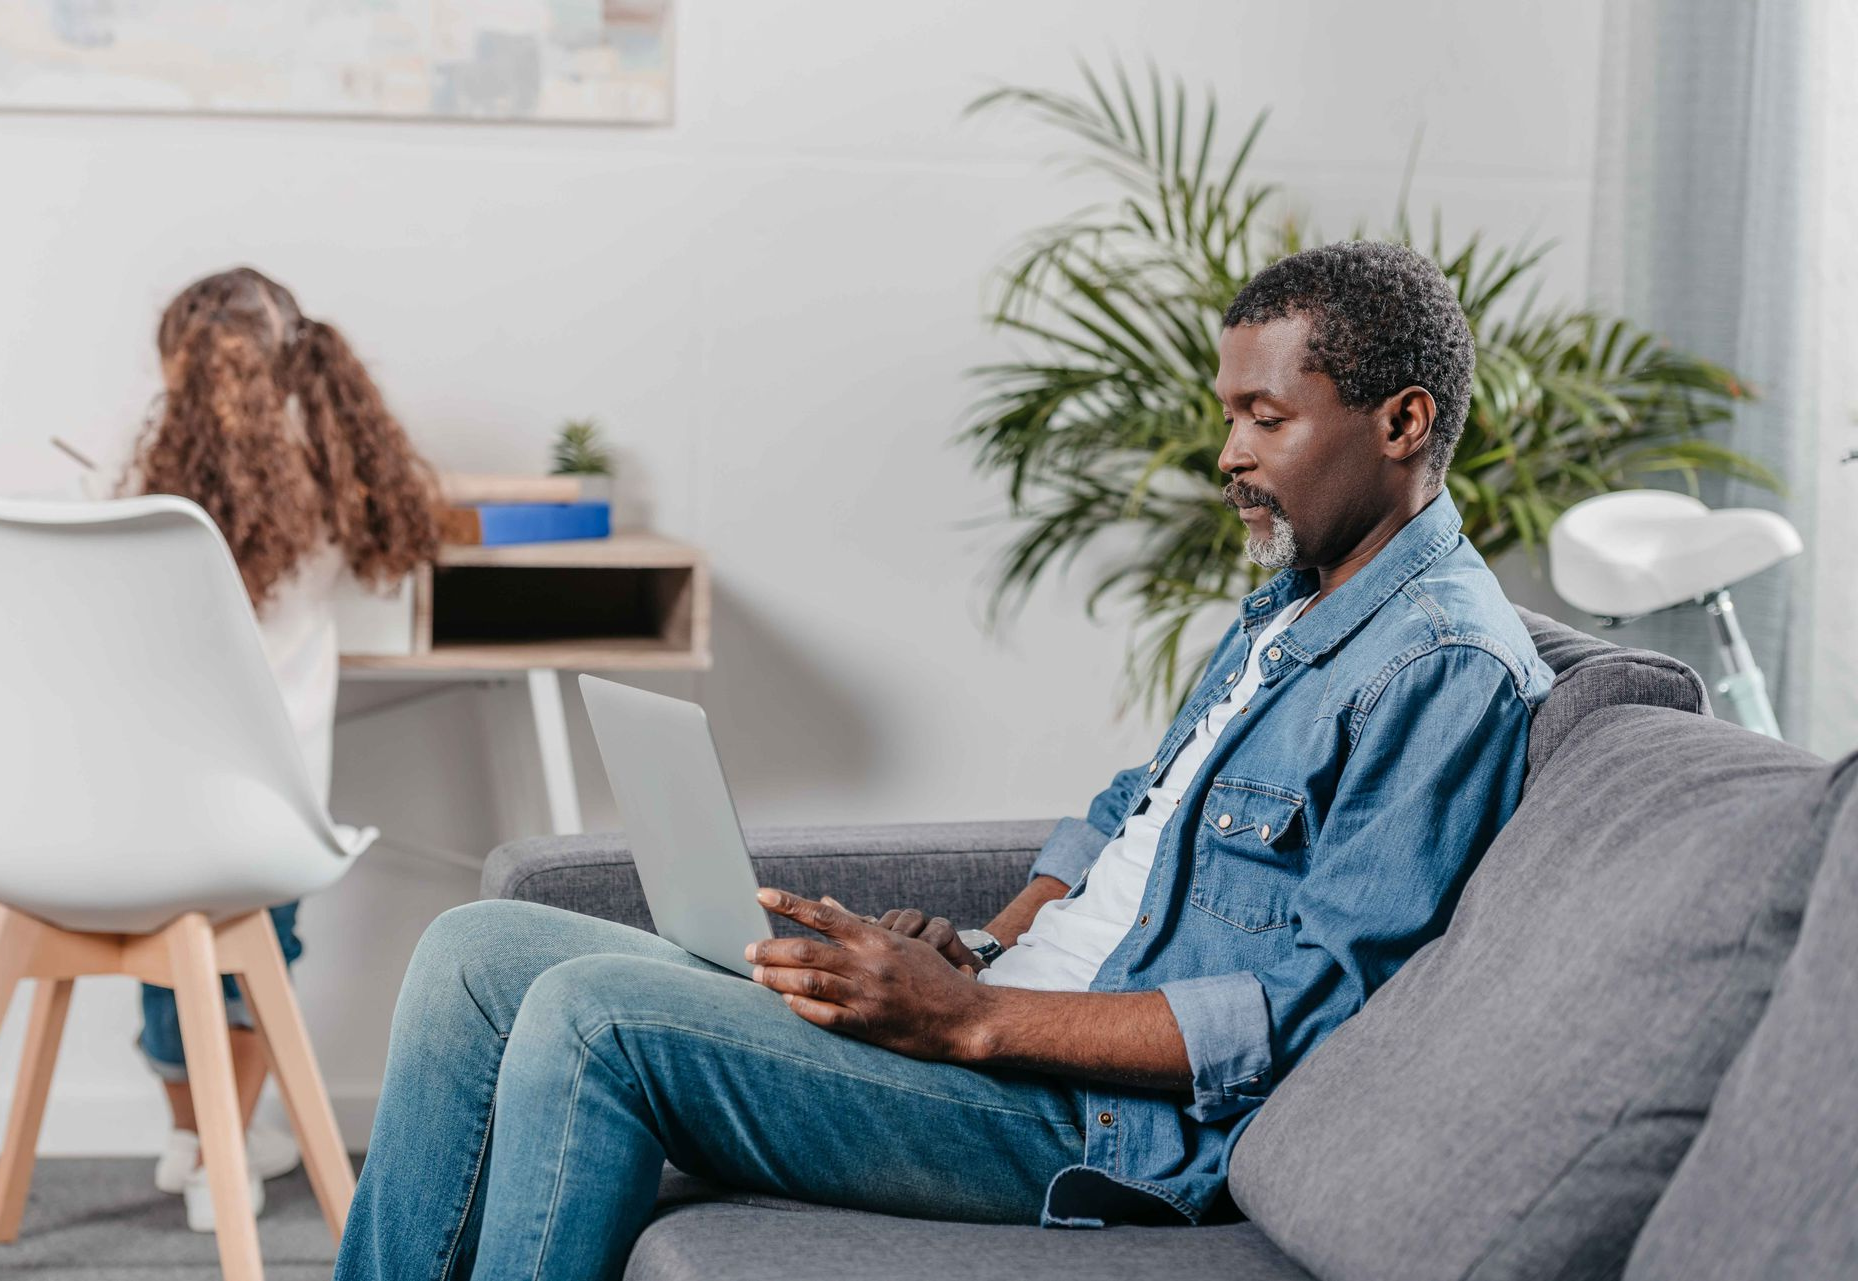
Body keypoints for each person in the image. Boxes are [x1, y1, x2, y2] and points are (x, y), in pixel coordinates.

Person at [333, 241, 1555, 1280]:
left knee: (594, 1018)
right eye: (1229, 414)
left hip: (1093, 1125)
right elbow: (1134, 819)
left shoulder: (1442, 666)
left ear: (1402, 422)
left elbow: (1312, 1011)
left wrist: (971, 1018)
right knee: (474, 949)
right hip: (1012, 1011)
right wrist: (981, 946)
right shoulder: (1297, 598)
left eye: (1266, 419)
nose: (1228, 453)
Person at [121, 267, 439, 1231]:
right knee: (260, 951)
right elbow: (397, 555)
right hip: (278, 794)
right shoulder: (334, 477)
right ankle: (228, 1149)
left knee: (163, 955)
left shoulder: (152, 488)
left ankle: (196, 1140)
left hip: (142, 796)